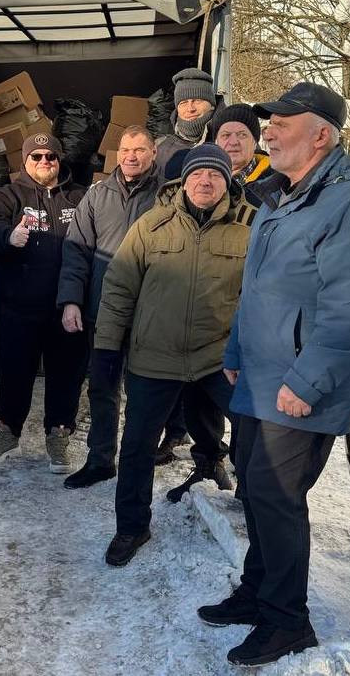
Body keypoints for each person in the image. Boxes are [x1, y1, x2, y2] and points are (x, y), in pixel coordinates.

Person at [198, 82, 350, 667]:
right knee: (255, 489)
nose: (270, 133)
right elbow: (256, 291)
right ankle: (258, 590)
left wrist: (307, 383)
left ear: (321, 135)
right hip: (259, 379)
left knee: (277, 498)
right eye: (270, 123)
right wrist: (235, 351)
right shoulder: (280, 197)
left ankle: (287, 620)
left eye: (283, 123)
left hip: (300, 385)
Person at [94, 144, 250, 566]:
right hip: (155, 357)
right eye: (198, 174)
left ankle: (253, 510)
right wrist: (107, 348)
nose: (205, 182)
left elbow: (257, 298)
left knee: (254, 431)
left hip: (217, 358)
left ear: (227, 183)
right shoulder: (151, 225)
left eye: (215, 175)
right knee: (137, 445)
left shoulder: (247, 229)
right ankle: (131, 527)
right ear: (183, 181)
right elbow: (119, 288)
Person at [57, 125, 167, 490]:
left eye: (139, 149)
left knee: (142, 393)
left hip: (150, 315)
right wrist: (71, 300)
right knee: (102, 388)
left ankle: (137, 463)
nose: (131, 156)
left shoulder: (168, 197)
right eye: (125, 150)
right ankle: (100, 459)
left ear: (153, 153)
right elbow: (76, 252)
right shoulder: (97, 196)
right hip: (102, 312)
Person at [0, 133, 87, 473]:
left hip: (67, 306)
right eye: (36, 156)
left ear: (59, 160)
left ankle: (58, 437)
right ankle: (7, 433)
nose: (44, 162)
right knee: (15, 374)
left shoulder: (80, 196)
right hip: (19, 307)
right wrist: (8, 236)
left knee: (66, 376)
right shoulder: (8, 195)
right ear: (25, 161)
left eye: (50, 156)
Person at [212, 103, 279, 208]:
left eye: (242, 135)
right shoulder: (200, 181)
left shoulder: (278, 186)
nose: (233, 142)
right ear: (217, 142)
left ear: (255, 142)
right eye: (226, 135)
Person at [154, 68, 217, 179]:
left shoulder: (230, 142)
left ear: (212, 104)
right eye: (183, 103)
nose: (190, 108)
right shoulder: (160, 148)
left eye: (197, 101)